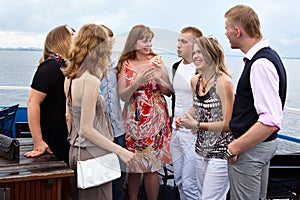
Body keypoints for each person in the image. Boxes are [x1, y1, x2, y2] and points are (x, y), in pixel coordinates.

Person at [63, 23, 135, 200]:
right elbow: (87, 129)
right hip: (93, 153)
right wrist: (121, 151)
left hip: (76, 150)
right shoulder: (91, 80)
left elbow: (69, 118)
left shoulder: (70, 77)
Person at [224, 5, 287, 199]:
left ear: (237, 30)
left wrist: (234, 147)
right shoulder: (268, 57)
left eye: (226, 28)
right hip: (260, 146)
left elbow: (271, 120)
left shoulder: (260, 64)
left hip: (251, 149)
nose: (225, 33)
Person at [117, 24, 172, 200]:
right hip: (134, 119)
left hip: (155, 119)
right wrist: (136, 82)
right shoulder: (124, 64)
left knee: (151, 166)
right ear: (134, 42)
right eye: (144, 40)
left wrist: (159, 78)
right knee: (134, 165)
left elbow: (168, 92)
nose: (148, 44)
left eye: (150, 40)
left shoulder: (158, 60)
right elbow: (123, 96)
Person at [177, 36, 235, 199]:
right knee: (202, 194)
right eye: (194, 52)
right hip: (201, 149)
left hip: (221, 151)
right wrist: (184, 118)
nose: (195, 56)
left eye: (200, 52)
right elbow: (198, 106)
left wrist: (197, 125)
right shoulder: (195, 80)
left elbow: (228, 124)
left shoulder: (224, 82)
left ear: (212, 53)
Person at [24, 24, 75, 200]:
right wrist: (38, 142)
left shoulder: (64, 66)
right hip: (54, 140)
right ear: (62, 40)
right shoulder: (51, 67)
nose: (76, 36)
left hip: (64, 137)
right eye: (72, 33)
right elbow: (32, 103)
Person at [170, 26, 203, 200]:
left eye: (184, 41)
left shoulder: (201, 69)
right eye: (178, 40)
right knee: (180, 180)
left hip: (193, 132)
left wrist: (188, 119)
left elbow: (205, 101)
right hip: (175, 130)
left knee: (191, 183)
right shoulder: (176, 66)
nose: (178, 45)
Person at [100, 24, 127, 200]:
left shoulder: (116, 66)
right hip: (99, 133)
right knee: (100, 178)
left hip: (118, 129)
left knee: (119, 178)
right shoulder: (86, 69)